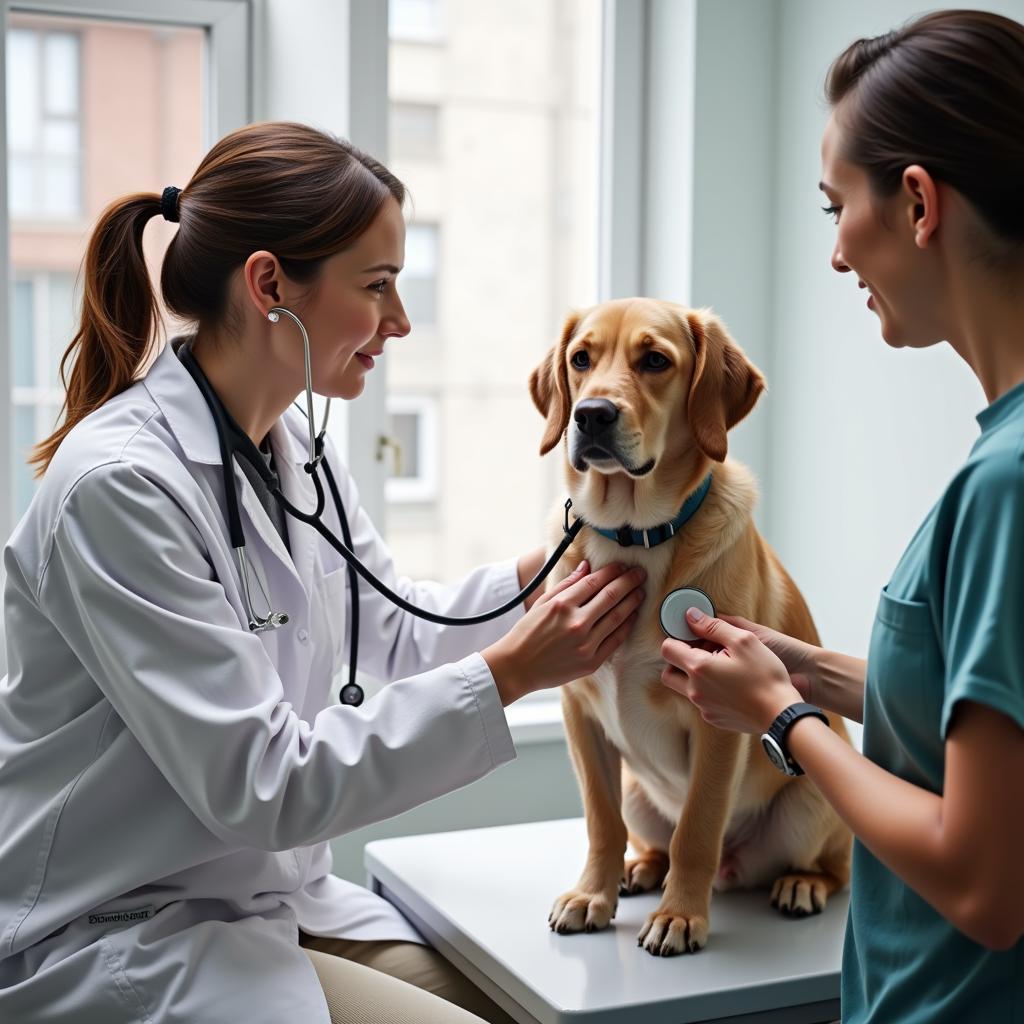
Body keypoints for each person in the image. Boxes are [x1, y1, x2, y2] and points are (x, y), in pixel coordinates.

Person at [0, 121, 648, 1024]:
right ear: (270, 285)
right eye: (377, 286)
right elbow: (262, 784)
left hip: (266, 899)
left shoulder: (289, 442)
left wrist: (536, 582)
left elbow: (387, 629)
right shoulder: (118, 490)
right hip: (123, 920)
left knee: (530, 1003)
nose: (401, 321)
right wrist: (512, 673)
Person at [659, 9, 1024, 1023]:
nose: (832, 257)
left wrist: (785, 719)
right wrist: (804, 668)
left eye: (834, 208)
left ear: (915, 203)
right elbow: (979, 724)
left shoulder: (1007, 483)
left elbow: (985, 884)